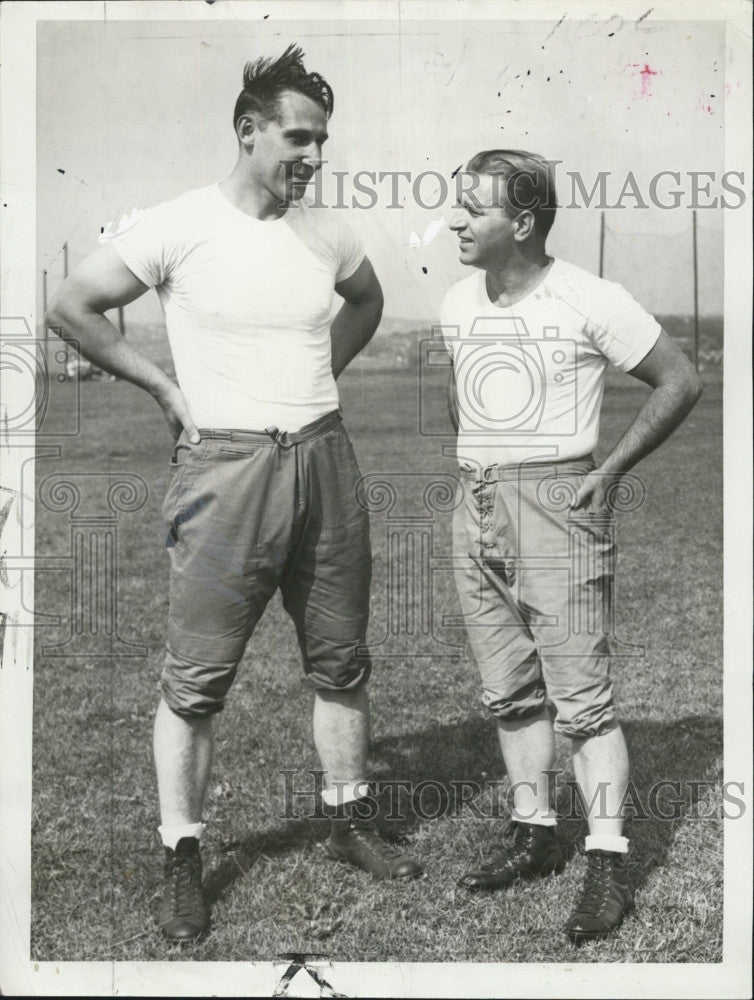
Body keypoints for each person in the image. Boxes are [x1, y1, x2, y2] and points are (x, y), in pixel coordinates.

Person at [45, 44, 422, 944]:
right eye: (298, 138)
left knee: (342, 662)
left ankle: (345, 821)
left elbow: (366, 303)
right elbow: (71, 308)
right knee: (197, 683)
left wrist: (315, 378)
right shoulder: (177, 225)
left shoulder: (327, 232)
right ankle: (184, 852)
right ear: (248, 132)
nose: (315, 158)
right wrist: (168, 392)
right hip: (226, 471)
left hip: (327, 462)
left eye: (323, 141)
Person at [440, 149, 702, 943]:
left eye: (473, 209)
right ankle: (534, 835)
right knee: (510, 690)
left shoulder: (589, 297)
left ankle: (607, 865)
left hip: (558, 503)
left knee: (583, 703)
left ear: (521, 222)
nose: (455, 220)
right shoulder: (456, 303)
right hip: (475, 502)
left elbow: (679, 380)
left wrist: (612, 470)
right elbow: (466, 410)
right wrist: (479, 482)